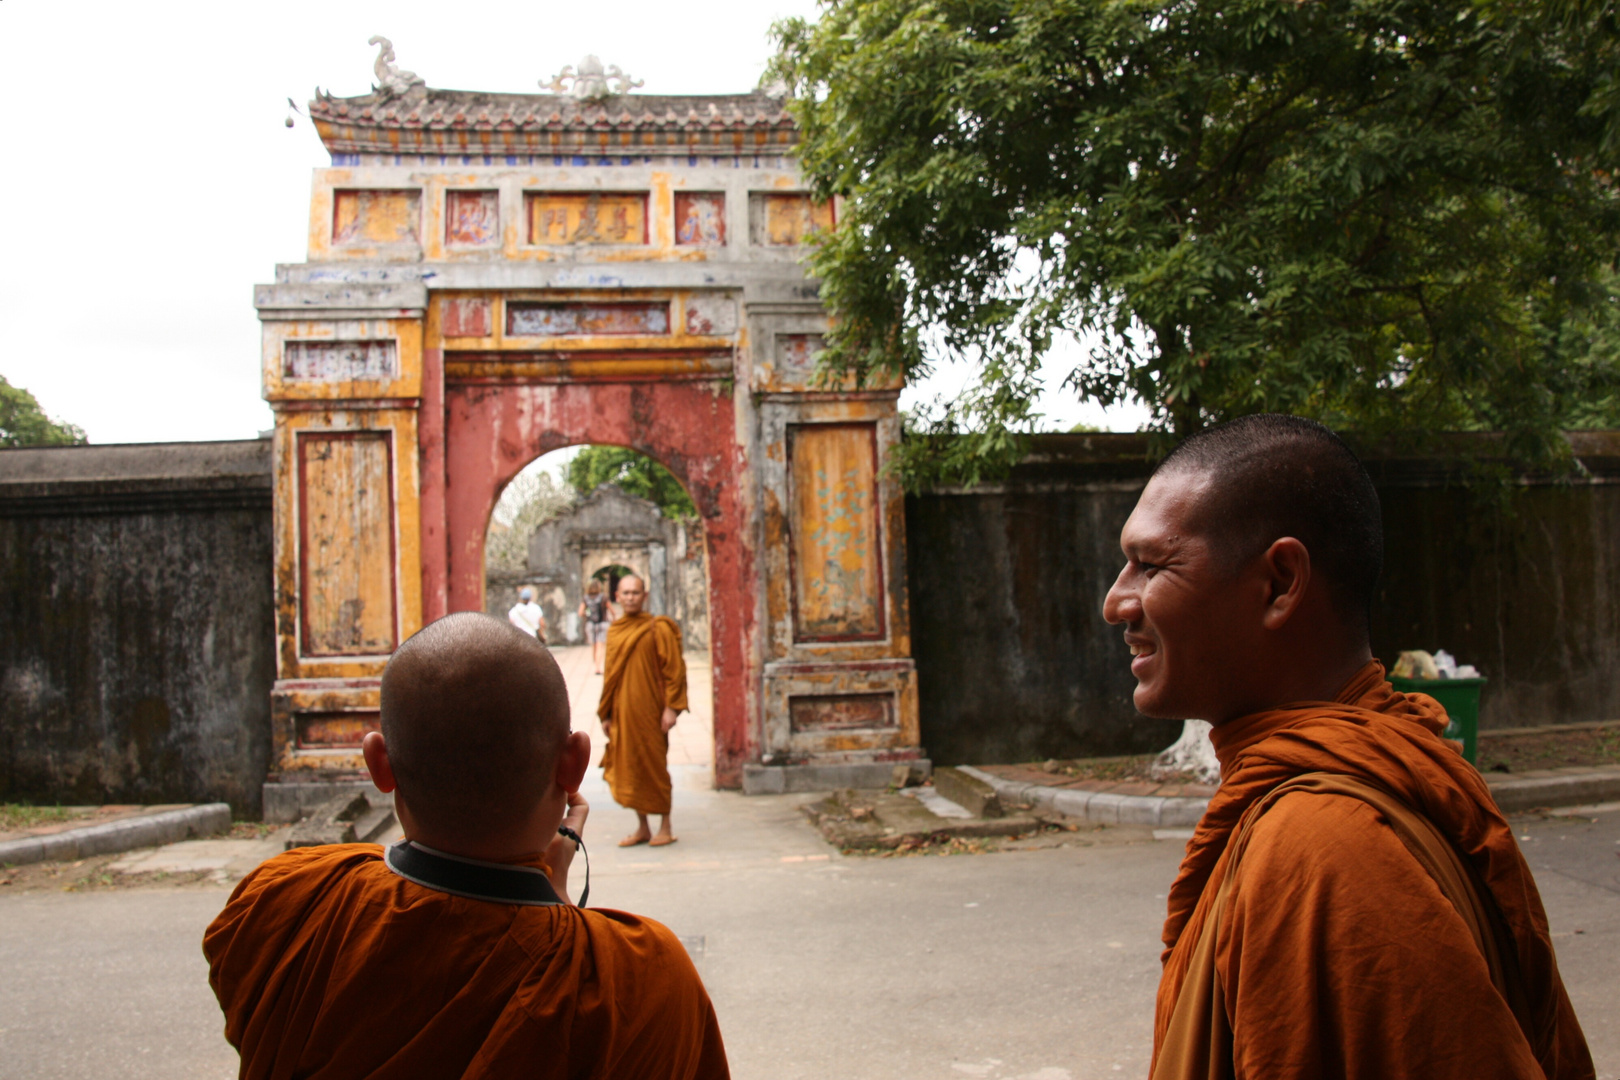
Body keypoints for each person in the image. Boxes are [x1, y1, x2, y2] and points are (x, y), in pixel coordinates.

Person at [1102, 414, 1593, 1080]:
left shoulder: (1322, 845)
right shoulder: (1370, 777)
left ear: (1279, 583)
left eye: (1151, 564)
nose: (1116, 602)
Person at [204, 612, 729, 1079]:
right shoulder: (639, 976)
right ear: (573, 764)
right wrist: (555, 906)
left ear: (379, 765)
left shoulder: (289, 897)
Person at [598, 574, 686, 848]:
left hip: (651, 712)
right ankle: (643, 827)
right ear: (617, 596)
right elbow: (610, 676)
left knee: (655, 767)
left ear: (644, 595)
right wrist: (607, 713)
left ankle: (666, 826)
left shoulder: (657, 628)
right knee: (630, 767)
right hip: (623, 712)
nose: (630, 597)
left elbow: (675, 671)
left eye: (635, 592)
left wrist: (671, 708)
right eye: (625, 593)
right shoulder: (615, 631)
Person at [578, 579, 614, 675]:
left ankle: (595, 665)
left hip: (590, 624)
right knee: (600, 646)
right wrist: (614, 618)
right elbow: (611, 609)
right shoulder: (603, 597)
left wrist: (588, 613)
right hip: (603, 624)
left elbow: (580, 613)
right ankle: (598, 667)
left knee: (593, 646)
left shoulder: (585, 598)